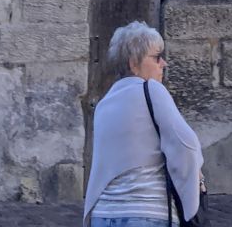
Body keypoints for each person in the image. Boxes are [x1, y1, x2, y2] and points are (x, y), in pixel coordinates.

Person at [84, 20, 203, 227]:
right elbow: (188, 146)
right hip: (147, 211)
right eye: (157, 57)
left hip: (102, 214)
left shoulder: (103, 104)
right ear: (133, 63)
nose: (163, 63)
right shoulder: (152, 90)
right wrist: (194, 194)